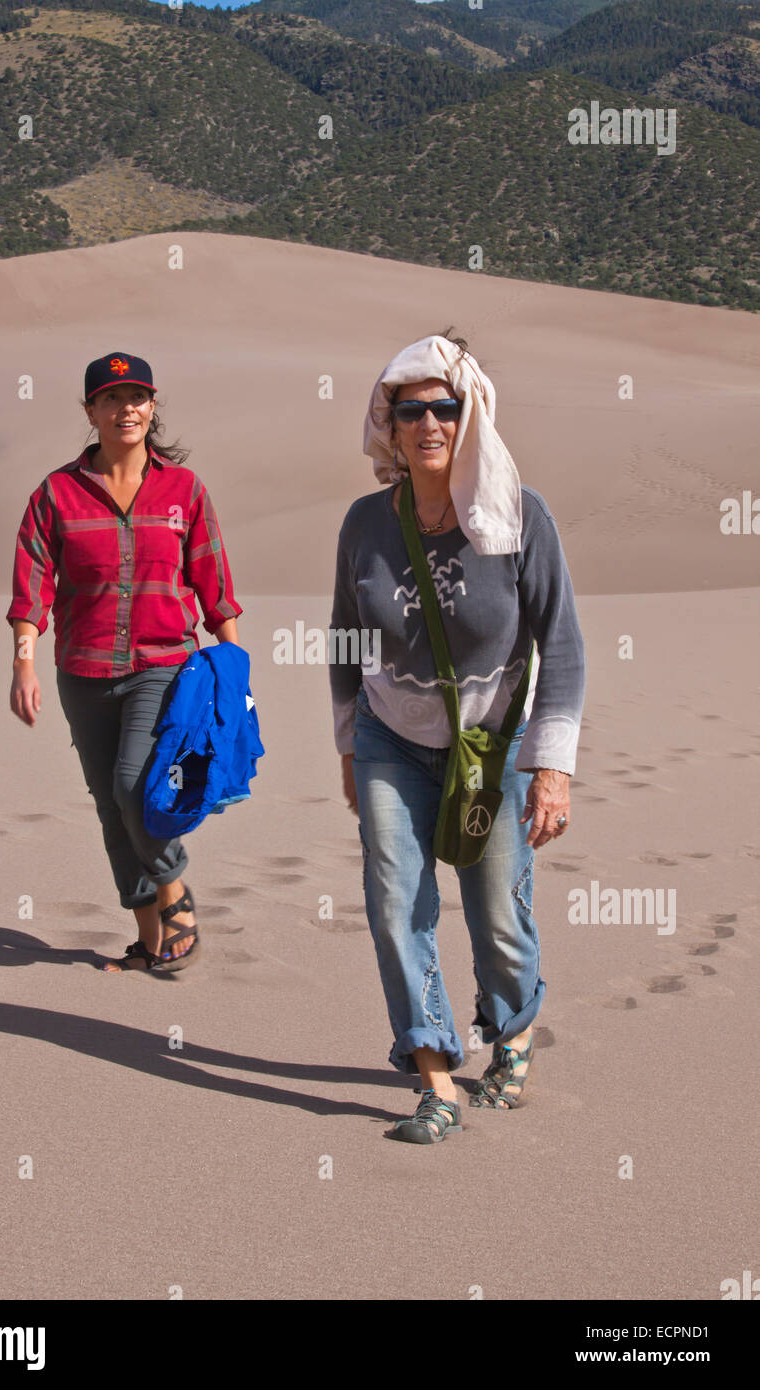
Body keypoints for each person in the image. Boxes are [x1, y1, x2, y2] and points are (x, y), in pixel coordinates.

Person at [329, 331, 586, 1142]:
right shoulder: (367, 524)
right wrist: (347, 744)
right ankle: (435, 1073)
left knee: (496, 914)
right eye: (412, 411)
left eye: (446, 407)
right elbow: (343, 640)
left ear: (469, 413)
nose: (430, 423)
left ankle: (510, 1034)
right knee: (395, 901)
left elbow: (565, 647)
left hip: (495, 746)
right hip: (389, 741)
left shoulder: (519, 516)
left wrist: (552, 768)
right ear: (392, 426)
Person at [6, 351, 243, 973]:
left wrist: (234, 664)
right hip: (81, 671)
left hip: (163, 664)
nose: (126, 408)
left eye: (137, 397)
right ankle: (149, 940)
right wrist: (23, 664)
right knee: (109, 804)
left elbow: (212, 581)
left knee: (135, 784)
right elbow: (32, 586)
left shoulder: (183, 490)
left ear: (153, 405)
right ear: (91, 411)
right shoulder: (56, 493)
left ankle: (175, 890)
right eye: (111, 399)